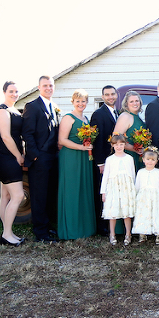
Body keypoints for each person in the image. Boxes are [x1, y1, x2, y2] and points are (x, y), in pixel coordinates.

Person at [22, 75, 60, 243]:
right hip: (39, 159)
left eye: (51, 85)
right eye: (45, 85)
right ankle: (40, 232)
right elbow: (27, 133)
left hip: (53, 158)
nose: (48, 88)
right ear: (39, 87)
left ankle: (47, 226)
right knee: (39, 195)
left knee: (50, 194)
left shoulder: (55, 107)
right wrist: (35, 155)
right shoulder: (32, 106)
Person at [56, 89, 97, 240]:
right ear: (73, 102)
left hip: (84, 157)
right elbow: (62, 140)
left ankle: (85, 228)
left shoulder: (86, 118)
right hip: (71, 157)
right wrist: (81, 147)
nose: (81, 103)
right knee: (72, 190)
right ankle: (71, 230)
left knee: (83, 189)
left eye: (83, 101)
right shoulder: (68, 117)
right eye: (78, 101)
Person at [0, 81, 25, 246]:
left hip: (11, 156)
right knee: (18, 195)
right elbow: (5, 137)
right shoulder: (2, 111)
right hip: (6, 157)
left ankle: (8, 232)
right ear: (4, 92)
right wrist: (18, 155)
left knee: (5, 196)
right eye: (11, 91)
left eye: (16, 91)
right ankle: (6, 235)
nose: (14, 94)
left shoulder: (14, 110)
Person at [90, 85, 119, 235]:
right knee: (103, 192)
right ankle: (102, 227)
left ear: (116, 95)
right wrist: (100, 162)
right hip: (103, 161)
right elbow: (97, 140)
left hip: (114, 159)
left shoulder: (117, 112)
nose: (110, 97)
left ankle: (110, 223)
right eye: (107, 95)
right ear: (103, 97)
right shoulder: (98, 114)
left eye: (112, 94)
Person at [101, 134, 137, 246]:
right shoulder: (110, 159)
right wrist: (103, 192)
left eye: (121, 144)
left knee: (126, 212)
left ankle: (128, 234)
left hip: (126, 187)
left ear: (125, 145)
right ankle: (112, 234)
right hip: (113, 187)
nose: (119, 147)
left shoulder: (129, 158)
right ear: (112, 145)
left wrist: (134, 190)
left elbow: (132, 175)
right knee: (113, 212)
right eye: (116, 145)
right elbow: (106, 176)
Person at [133, 146, 159, 245]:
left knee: (156, 213)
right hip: (143, 196)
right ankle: (142, 233)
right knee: (143, 213)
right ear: (143, 160)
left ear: (156, 161)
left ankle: (158, 233)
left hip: (155, 196)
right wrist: (135, 195)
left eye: (153, 160)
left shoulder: (158, 172)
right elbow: (137, 185)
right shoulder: (141, 172)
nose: (150, 162)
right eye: (148, 159)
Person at [113, 90, 147, 172]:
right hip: (129, 156)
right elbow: (116, 139)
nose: (135, 103)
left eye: (137, 101)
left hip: (138, 155)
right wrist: (135, 149)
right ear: (126, 104)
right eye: (131, 101)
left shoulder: (137, 117)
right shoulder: (125, 116)